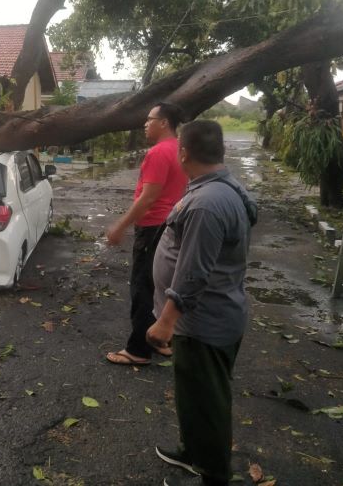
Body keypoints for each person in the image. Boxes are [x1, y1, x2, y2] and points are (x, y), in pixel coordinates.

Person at [146, 119, 255, 486]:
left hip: (203, 324)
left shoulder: (207, 203)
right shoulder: (220, 186)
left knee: (207, 402)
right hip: (208, 320)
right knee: (195, 396)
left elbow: (193, 273)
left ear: (184, 153)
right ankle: (194, 451)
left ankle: (212, 474)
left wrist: (166, 320)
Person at [105, 102, 187, 366]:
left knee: (143, 288)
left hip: (153, 227)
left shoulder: (158, 153)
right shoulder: (180, 149)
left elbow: (148, 197)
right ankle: (161, 340)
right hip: (173, 224)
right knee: (162, 285)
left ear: (164, 123)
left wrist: (121, 225)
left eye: (149, 119)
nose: (145, 124)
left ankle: (138, 350)